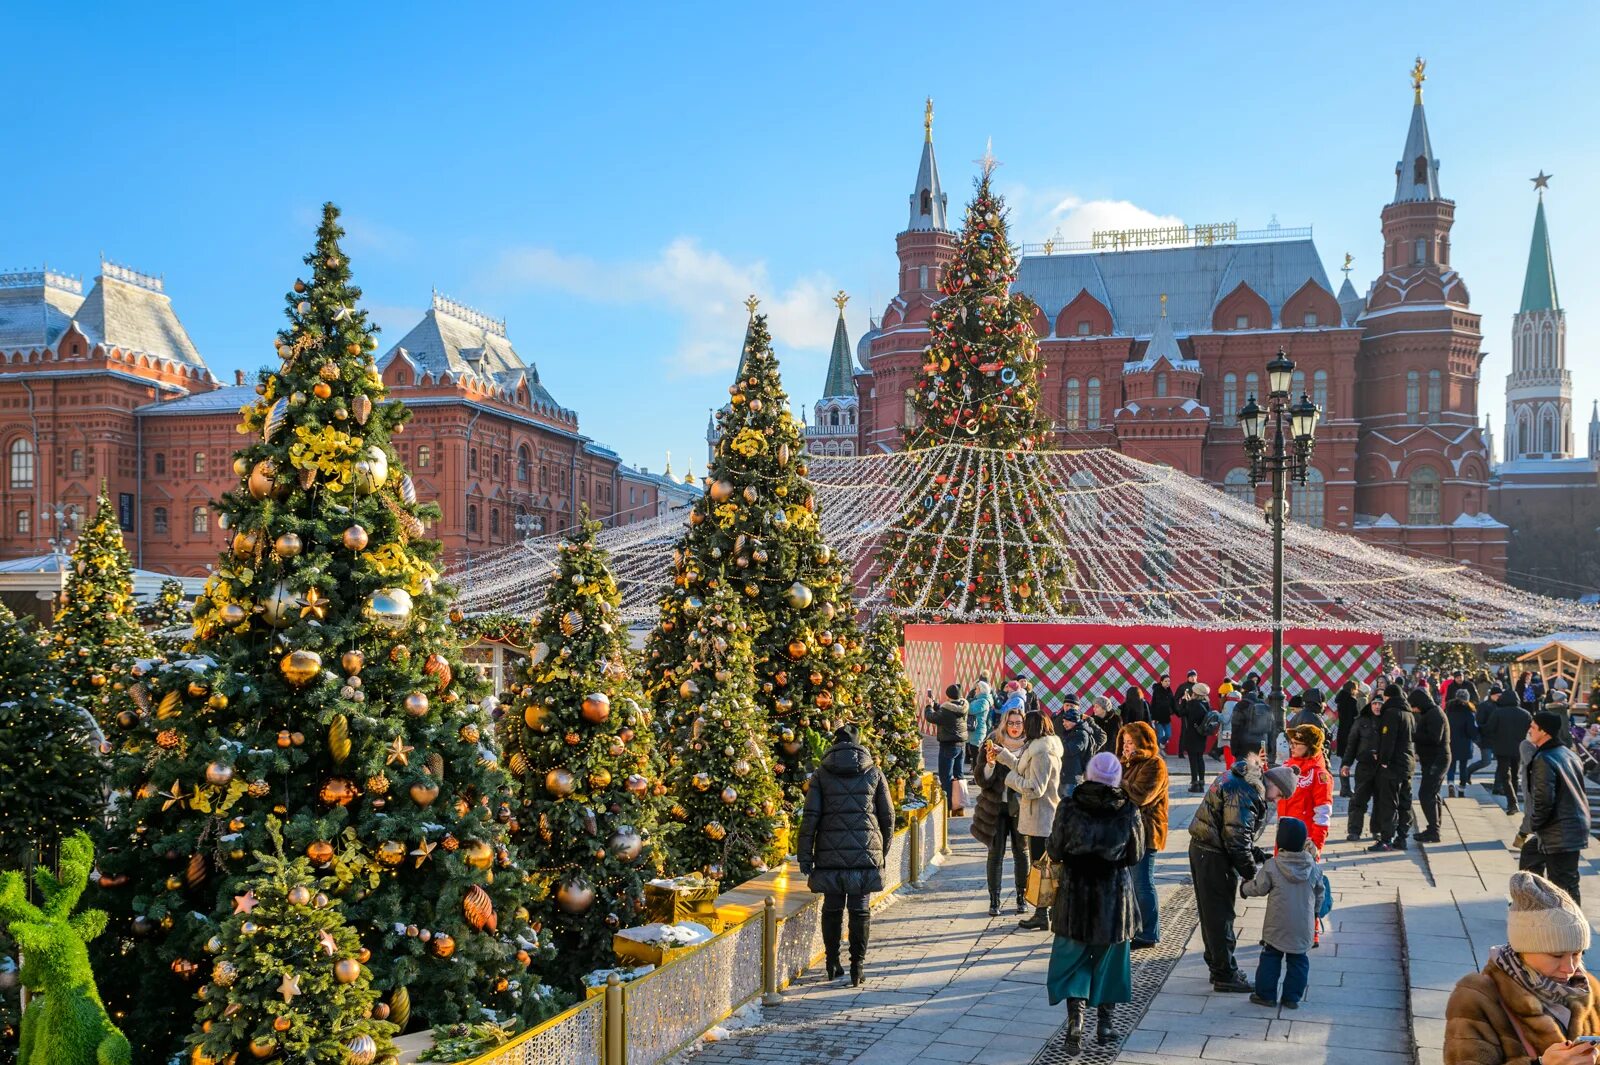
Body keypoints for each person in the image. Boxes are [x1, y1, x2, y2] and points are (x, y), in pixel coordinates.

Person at [1444, 872, 1600, 1065]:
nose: (1569, 968)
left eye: (1578, 954)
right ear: (1524, 949)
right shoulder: (1477, 995)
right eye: (1556, 955)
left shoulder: (1587, 988)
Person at [1046, 752, 1145, 1051]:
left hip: (1075, 896)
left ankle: (1075, 1024)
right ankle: (1105, 1025)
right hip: (1114, 899)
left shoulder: (1068, 805)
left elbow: (1054, 850)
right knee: (1111, 963)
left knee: (1071, 960)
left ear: (1088, 774)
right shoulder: (1128, 810)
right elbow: (1135, 855)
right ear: (1116, 778)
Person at [1187, 743, 1298, 992]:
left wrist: (1260, 855)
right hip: (1213, 856)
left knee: (1213, 915)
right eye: (1279, 795)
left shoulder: (1244, 779)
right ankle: (1225, 975)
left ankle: (1218, 966)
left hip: (1208, 849)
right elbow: (1236, 841)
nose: (1276, 800)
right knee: (1220, 917)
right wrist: (1251, 876)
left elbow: (1236, 835)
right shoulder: (1246, 791)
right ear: (1273, 784)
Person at [796, 724, 895, 986]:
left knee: (832, 907)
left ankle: (831, 962)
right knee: (860, 909)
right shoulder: (874, 772)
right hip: (866, 850)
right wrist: (880, 849)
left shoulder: (821, 774)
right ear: (859, 744)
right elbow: (888, 816)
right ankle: (857, 966)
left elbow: (810, 818)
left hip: (829, 851)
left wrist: (805, 854)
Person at [1243, 817, 1325, 1009]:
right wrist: (1315, 913)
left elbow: (1259, 887)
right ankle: (1291, 998)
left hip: (1276, 924)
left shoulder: (1272, 865)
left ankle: (1266, 995)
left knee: (1270, 957)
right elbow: (1320, 894)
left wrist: (1244, 889)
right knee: (1299, 961)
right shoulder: (1313, 867)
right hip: (1302, 925)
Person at [992, 712, 1063, 930]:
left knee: (1041, 867)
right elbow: (1024, 767)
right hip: (1040, 817)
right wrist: (1003, 755)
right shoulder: (1039, 747)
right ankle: (1046, 912)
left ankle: (1043, 913)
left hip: (1041, 818)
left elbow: (1035, 788)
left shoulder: (1041, 752)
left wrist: (1010, 779)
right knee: (1043, 866)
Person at [1520, 711, 1591, 904]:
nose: (1530, 730)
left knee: (1563, 884)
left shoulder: (1545, 758)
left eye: (1533, 727)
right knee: (1530, 853)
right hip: (1569, 824)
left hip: (1561, 829)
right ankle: (1530, 901)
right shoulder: (1568, 753)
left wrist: (1533, 824)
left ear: (1544, 732)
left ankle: (1570, 926)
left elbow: (1544, 800)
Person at [973, 708, 1030, 917]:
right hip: (994, 807)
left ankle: (1021, 897)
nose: (1014, 727)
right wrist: (989, 765)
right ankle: (994, 900)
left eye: (1018, 723)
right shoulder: (991, 742)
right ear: (1004, 724)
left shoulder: (1029, 747)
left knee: (1021, 853)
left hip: (1021, 806)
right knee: (995, 854)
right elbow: (981, 779)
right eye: (1011, 723)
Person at [1119, 721, 1168, 949]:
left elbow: (1141, 796)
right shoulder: (1128, 763)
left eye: (1131, 742)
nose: (1127, 747)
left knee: (1142, 882)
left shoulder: (1154, 764)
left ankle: (1149, 932)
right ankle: (1135, 927)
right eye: (1125, 742)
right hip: (1128, 831)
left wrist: (1117, 781)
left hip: (1146, 832)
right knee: (1130, 883)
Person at [1369, 683, 1417, 853]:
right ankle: (1402, 838)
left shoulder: (1391, 713)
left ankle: (1386, 839)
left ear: (1388, 697)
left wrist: (1383, 760)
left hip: (1393, 766)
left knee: (1388, 802)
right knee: (1405, 802)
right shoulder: (1408, 713)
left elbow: (1388, 740)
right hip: (1407, 764)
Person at [1279, 726, 1334, 854]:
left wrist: (1316, 844)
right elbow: (1272, 791)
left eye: (1297, 744)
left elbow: (1323, 813)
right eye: (1291, 743)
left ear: (1310, 747)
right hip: (1283, 835)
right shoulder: (1287, 766)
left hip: (1304, 840)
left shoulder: (1320, 775)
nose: (1292, 747)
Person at [1484, 687, 1534, 816]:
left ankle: (1512, 802)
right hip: (1518, 749)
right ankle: (1514, 799)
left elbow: (1489, 729)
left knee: (1505, 775)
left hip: (1501, 748)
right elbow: (1531, 730)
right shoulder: (1525, 713)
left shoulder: (1498, 712)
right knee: (1515, 775)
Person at [1411, 688, 1451, 844]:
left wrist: (1413, 736)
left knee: (1426, 794)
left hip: (1437, 759)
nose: (1414, 709)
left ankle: (1434, 830)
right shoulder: (1430, 712)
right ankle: (1433, 828)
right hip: (1434, 759)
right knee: (1432, 794)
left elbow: (1434, 738)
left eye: (1414, 706)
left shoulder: (1434, 714)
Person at [926, 683, 970, 814]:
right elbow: (947, 711)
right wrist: (936, 705)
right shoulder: (963, 705)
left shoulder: (946, 710)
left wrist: (929, 706)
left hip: (948, 746)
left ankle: (948, 807)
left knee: (946, 777)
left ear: (948, 696)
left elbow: (932, 717)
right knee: (959, 776)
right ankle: (959, 807)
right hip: (961, 745)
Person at [1345, 695, 1385, 841]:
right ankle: (1354, 830)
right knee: (1359, 799)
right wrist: (1346, 763)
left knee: (1380, 800)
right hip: (1364, 766)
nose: (1377, 707)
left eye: (1380, 704)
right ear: (1370, 705)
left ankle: (1377, 829)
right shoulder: (1361, 721)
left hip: (1382, 767)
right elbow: (1352, 744)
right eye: (1375, 703)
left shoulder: (1388, 720)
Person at [1177, 683, 1214, 792]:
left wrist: (1184, 701)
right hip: (1202, 735)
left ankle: (1195, 783)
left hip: (1192, 735)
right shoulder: (1206, 704)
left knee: (1193, 759)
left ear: (1195, 693)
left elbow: (1181, 713)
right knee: (1200, 758)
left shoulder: (1192, 704)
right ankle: (1202, 782)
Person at [1056, 705, 1097, 798]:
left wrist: (1055, 745)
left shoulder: (1081, 734)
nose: (1063, 723)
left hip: (1072, 777)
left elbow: (1069, 750)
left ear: (1073, 721)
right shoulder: (1072, 732)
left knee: (1069, 806)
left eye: (1066, 721)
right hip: (1066, 775)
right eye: (1063, 721)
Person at [1446, 689, 1480, 798]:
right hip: (1465, 742)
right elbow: (1472, 730)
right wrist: (1475, 737)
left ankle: (1451, 783)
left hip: (1450, 741)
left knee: (1451, 765)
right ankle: (1461, 788)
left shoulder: (1449, 710)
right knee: (1463, 767)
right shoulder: (1469, 712)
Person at [1334, 680, 1362, 798]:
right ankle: (1346, 789)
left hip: (1342, 733)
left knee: (1344, 761)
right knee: (1347, 762)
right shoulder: (1352, 701)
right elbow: (1355, 717)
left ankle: (1344, 788)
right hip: (1350, 734)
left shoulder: (1340, 701)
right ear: (1352, 689)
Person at [966, 679, 994, 778]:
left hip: (978, 730)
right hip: (974, 730)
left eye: (977, 689)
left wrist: (966, 705)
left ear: (981, 690)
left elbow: (971, 710)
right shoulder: (978, 699)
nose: (975, 690)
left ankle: (977, 777)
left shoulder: (983, 701)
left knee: (976, 756)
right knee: (973, 755)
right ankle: (975, 776)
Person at [1150, 676, 1176, 749]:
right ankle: (1158, 751)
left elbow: (1172, 703)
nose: (1168, 683)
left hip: (1166, 717)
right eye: (1166, 681)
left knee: (1168, 735)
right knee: (1160, 735)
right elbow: (1153, 704)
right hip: (1158, 717)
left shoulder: (1169, 691)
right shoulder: (1157, 691)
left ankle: (1161, 744)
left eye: (1169, 681)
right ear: (1161, 682)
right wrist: (1153, 717)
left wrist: (1174, 711)